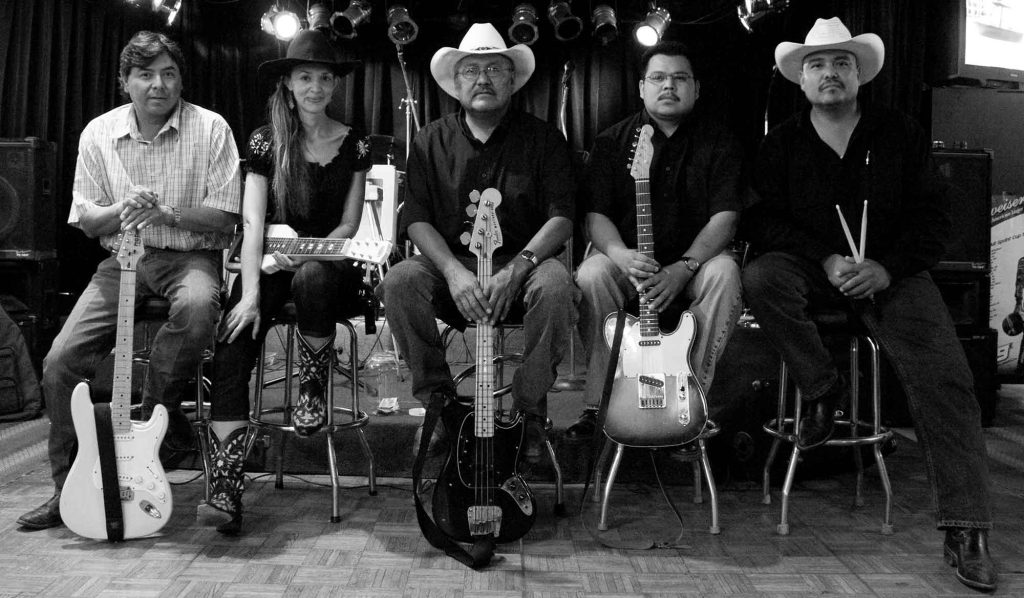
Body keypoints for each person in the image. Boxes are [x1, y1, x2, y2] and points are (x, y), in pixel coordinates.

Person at [741, 17, 997, 592]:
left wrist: (888, 267)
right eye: (817, 64)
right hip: (812, 266)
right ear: (800, 78)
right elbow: (762, 220)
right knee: (760, 278)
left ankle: (968, 528)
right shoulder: (778, 143)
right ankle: (822, 387)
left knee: (948, 380)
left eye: (840, 63)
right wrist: (826, 258)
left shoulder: (899, 131)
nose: (829, 73)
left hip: (891, 272)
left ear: (859, 74)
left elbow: (935, 220)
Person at [16, 31, 241, 531]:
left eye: (169, 73)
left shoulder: (211, 128)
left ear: (181, 78)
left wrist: (167, 212)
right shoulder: (98, 133)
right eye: (145, 74)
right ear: (125, 82)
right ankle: (66, 488)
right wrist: (123, 210)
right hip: (121, 261)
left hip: (190, 258)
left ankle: (149, 425)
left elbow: (226, 219)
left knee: (200, 306)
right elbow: (89, 221)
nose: (158, 85)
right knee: (59, 362)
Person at [379, 23, 579, 463]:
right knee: (398, 282)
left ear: (512, 80)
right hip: (451, 268)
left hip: (523, 268)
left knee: (558, 286)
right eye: (471, 70)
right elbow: (415, 219)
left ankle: (529, 413)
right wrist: (452, 272)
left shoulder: (544, 139)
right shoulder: (431, 139)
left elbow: (562, 217)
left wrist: (519, 266)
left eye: (494, 69)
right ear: (456, 82)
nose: (482, 78)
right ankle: (442, 407)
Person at [197, 29, 371, 535]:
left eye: (323, 77)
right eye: (304, 77)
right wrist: (250, 294)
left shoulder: (354, 141)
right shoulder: (264, 140)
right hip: (268, 261)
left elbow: (348, 225)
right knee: (233, 340)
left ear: (334, 85)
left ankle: (313, 380)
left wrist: (311, 250)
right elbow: (252, 223)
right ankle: (225, 483)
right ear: (289, 84)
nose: (315, 86)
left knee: (314, 276)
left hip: (328, 263)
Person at [568, 41, 745, 441]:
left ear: (696, 88)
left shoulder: (720, 141)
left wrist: (684, 268)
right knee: (593, 273)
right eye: (659, 78)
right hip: (630, 258)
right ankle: (598, 403)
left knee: (726, 274)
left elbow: (726, 218)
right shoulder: (613, 142)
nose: (669, 86)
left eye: (680, 78)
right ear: (642, 87)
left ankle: (690, 398)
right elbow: (595, 215)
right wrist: (620, 254)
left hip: (695, 261)